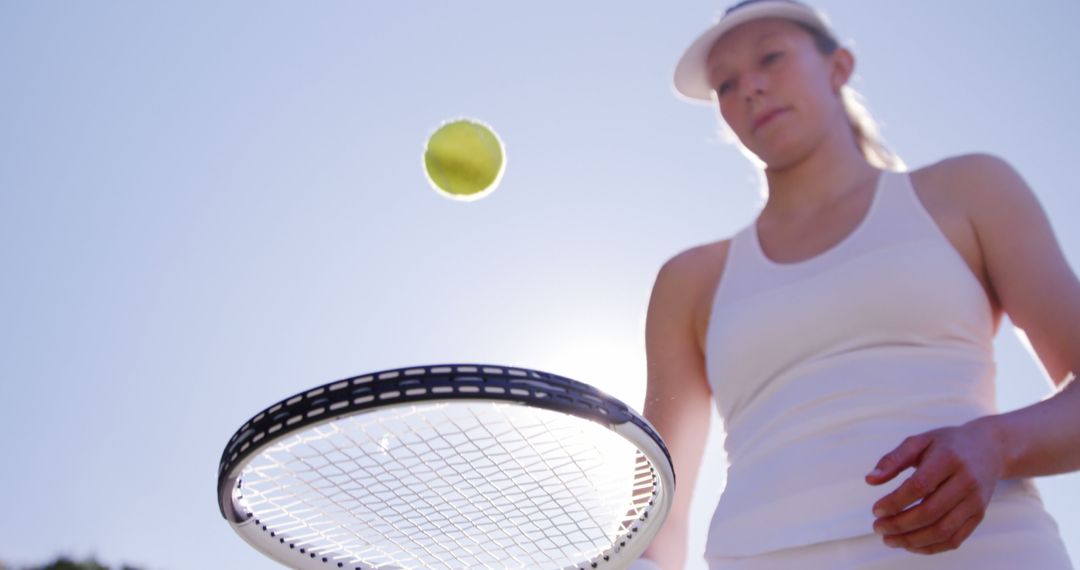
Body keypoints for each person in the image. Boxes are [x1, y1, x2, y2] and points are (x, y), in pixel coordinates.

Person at [635, 1, 1080, 568]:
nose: (749, 87)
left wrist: (995, 443)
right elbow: (658, 513)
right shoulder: (689, 281)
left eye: (771, 57)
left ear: (839, 66)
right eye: (725, 83)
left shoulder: (968, 191)